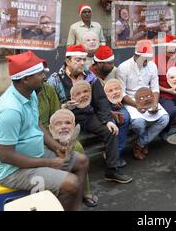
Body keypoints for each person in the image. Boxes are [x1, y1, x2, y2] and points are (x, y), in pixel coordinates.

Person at [0, 51, 88, 211]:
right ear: (25, 79)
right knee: (71, 183)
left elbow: (37, 124)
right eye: (40, 73)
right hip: (13, 171)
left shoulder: (30, 94)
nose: (44, 77)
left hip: (34, 154)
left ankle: (75, 208)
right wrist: (49, 163)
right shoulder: (9, 111)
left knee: (82, 161)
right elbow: (6, 156)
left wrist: (56, 147)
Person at [47, 44, 132, 183]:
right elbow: (52, 108)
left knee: (111, 131)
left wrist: (108, 120)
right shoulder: (55, 80)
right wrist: (64, 106)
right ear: (68, 61)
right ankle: (67, 177)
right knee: (66, 141)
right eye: (78, 60)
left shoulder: (90, 77)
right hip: (68, 120)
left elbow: (101, 100)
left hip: (88, 115)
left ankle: (112, 170)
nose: (82, 63)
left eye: (83, 59)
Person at [37, 81, 97, 207]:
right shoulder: (22, 98)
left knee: (76, 147)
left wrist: (59, 131)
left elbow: (56, 112)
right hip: (37, 137)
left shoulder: (47, 89)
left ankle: (84, 191)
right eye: (39, 73)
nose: (43, 77)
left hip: (54, 129)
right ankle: (61, 190)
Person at [116, 40, 169, 160]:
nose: (146, 62)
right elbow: (122, 93)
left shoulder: (152, 65)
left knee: (164, 119)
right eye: (144, 59)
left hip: (149, 98)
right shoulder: (123, 67)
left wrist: (155, 104)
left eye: (148, 59)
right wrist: (136, 105)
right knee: (138, 123)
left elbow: (155, 87)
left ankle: (140, 143)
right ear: (136, 55)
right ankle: (143, 143)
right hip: (131, 100)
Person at [104, 79, 131, 168]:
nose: (115, 92)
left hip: (118, 104)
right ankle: (112, 155)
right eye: (111, 90)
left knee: (125, 118)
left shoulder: (114, 71)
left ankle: (119, 151)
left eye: (117, 89)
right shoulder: (92, 78)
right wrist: (110, 111)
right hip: (104, 107)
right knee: (112, 124)